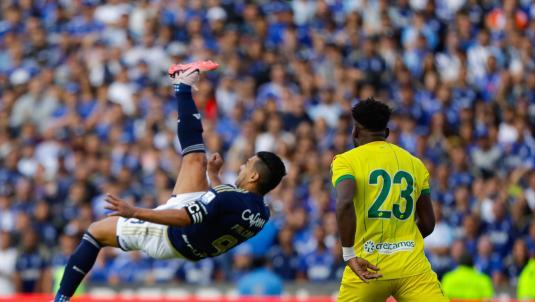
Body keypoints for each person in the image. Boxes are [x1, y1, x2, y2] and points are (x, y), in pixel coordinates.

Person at [54, 61, 286, 302]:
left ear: (253, 176)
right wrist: (214, 176)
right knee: (197, 160)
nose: (241, 166)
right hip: (195, 242)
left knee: (95, 232)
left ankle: (60, 299)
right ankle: (182, 85)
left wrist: (134, 211)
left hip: (169, 236)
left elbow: (184, 217)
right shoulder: (262, 212)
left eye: (247, 164)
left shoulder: (229, 196)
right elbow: (223, 209)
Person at [331, 98, 447, 301]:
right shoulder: (415, 164)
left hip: (366, 266)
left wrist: (349, 254)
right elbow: (428, 223)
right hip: (412, 267)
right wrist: (400, 243)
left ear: (355, 131)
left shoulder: (345, 161)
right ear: (386, 133)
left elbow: (344, 202)